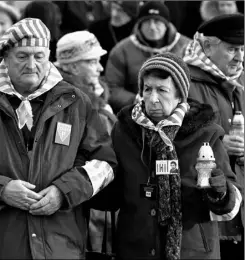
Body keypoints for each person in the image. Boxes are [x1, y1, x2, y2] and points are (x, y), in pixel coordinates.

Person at [0, 18, 117, 259]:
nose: (32, 64)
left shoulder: (76, 102)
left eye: (39, 56)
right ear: (5, 58)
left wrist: (62, 192)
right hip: (0, 248)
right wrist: (1, 190)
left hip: (62, 247)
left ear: (48, 57)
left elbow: (105, 164)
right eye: (22, 56)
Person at [90, 52, 242, 259]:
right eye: (147, 89)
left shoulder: (207, 133)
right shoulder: (124, 131)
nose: (152, 99)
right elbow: (113, 195)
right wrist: (92, 176)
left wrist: (220, 193)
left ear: (180, 94)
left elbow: (232, 201)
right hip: (136, 248)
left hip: (193, 251)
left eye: (162, 90)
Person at [183, 13, 244, 260]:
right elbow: (173, 141)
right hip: (205, 213)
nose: (240, 57)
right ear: (207, 47)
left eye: (242, 49)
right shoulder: (184, 82)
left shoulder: (239, 81)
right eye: (232, 49)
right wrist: (218, 144)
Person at [54, 30, 118, 254]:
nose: (100, 68)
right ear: (71, 66)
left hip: (100, 200)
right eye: (92, 62)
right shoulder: (65, 102)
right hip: (80, 206)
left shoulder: (97, 98)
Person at [105, 1, 191, 114]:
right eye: (147, 22)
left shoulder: (187, 47)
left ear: (166, 24)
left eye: (157, 21)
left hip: (182, 110)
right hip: (137, 112)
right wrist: (137, 100)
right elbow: (112, 87)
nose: (152, 27)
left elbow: (199, 84)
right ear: (139, 25)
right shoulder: (122, 50)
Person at [89, 1, 138, 69]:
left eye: (120, 10)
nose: (115, 14)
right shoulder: (96, 28)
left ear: (129, 12)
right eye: (113, 8)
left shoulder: (138, 27)